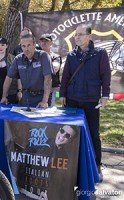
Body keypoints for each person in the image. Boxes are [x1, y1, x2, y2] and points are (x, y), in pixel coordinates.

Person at [60, 24, 111, 182]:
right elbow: (66, 76)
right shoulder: (71, 55)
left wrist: (105, 95)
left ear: (89, 36)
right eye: (76, 35)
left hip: (90, 100)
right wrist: (62, 94)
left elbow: (106, 75)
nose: (77, 37)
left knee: (93, 134)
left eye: (81, 34)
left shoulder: (100, 54)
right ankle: (72, 167)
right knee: (71, 134)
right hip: (72, 100)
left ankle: (96, 166)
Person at [1, 33, 53, 108]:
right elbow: (9, 78)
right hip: (26, 96)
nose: (26, 49)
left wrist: (44, 101)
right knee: (23, 119)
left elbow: (48, 79)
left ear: (34, 45)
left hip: (42, 96)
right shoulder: (18, 59)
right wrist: (4, 96)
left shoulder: (44, 56)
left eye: (29, 45)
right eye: (23, 46)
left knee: (41, 119)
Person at [39, 34, 62, 106]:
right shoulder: (36, 56)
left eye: (46, 41)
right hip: (41, 90)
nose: (43, 43)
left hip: (56, 90)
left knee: (57, 110)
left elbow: (55, 69)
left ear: (51, 43)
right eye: (42, 41)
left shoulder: (56, 57)